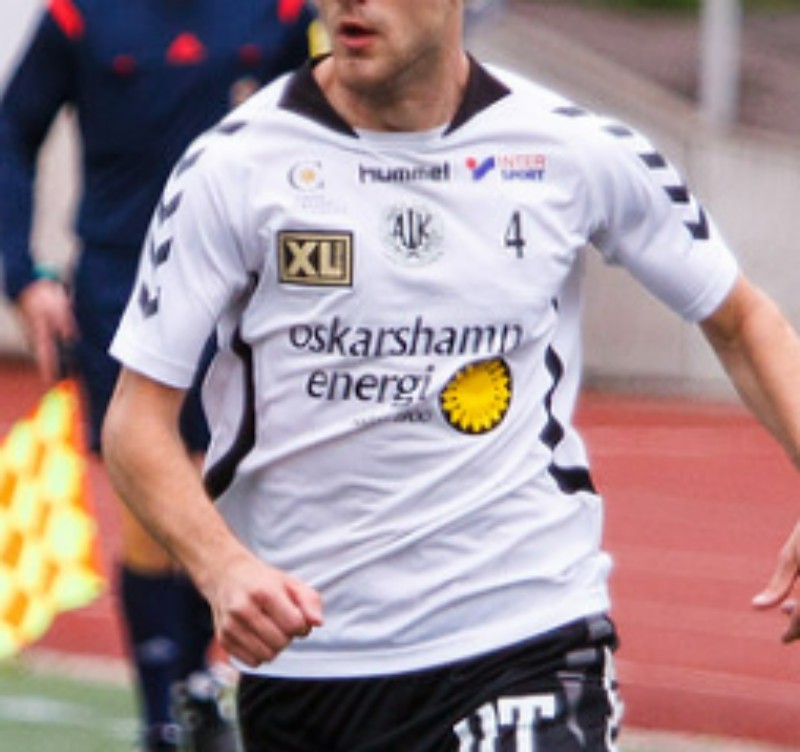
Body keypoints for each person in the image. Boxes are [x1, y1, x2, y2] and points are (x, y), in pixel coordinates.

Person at [101, 0, 800, 749]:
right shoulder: (232, 166)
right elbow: (135, 423)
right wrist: (222, 568)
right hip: (312, 667)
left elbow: (743, 320)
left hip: (525, 635)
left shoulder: (571, 148)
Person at [0, 1, 320, 750]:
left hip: (248, 285)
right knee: (150, 496)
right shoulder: (80, 14)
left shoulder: (282, 12)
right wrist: (24, 275)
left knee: (226, 495)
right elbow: (10, 131)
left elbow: (329, 124)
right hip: (122, 280)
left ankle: (200, 683)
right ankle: (164, 714)